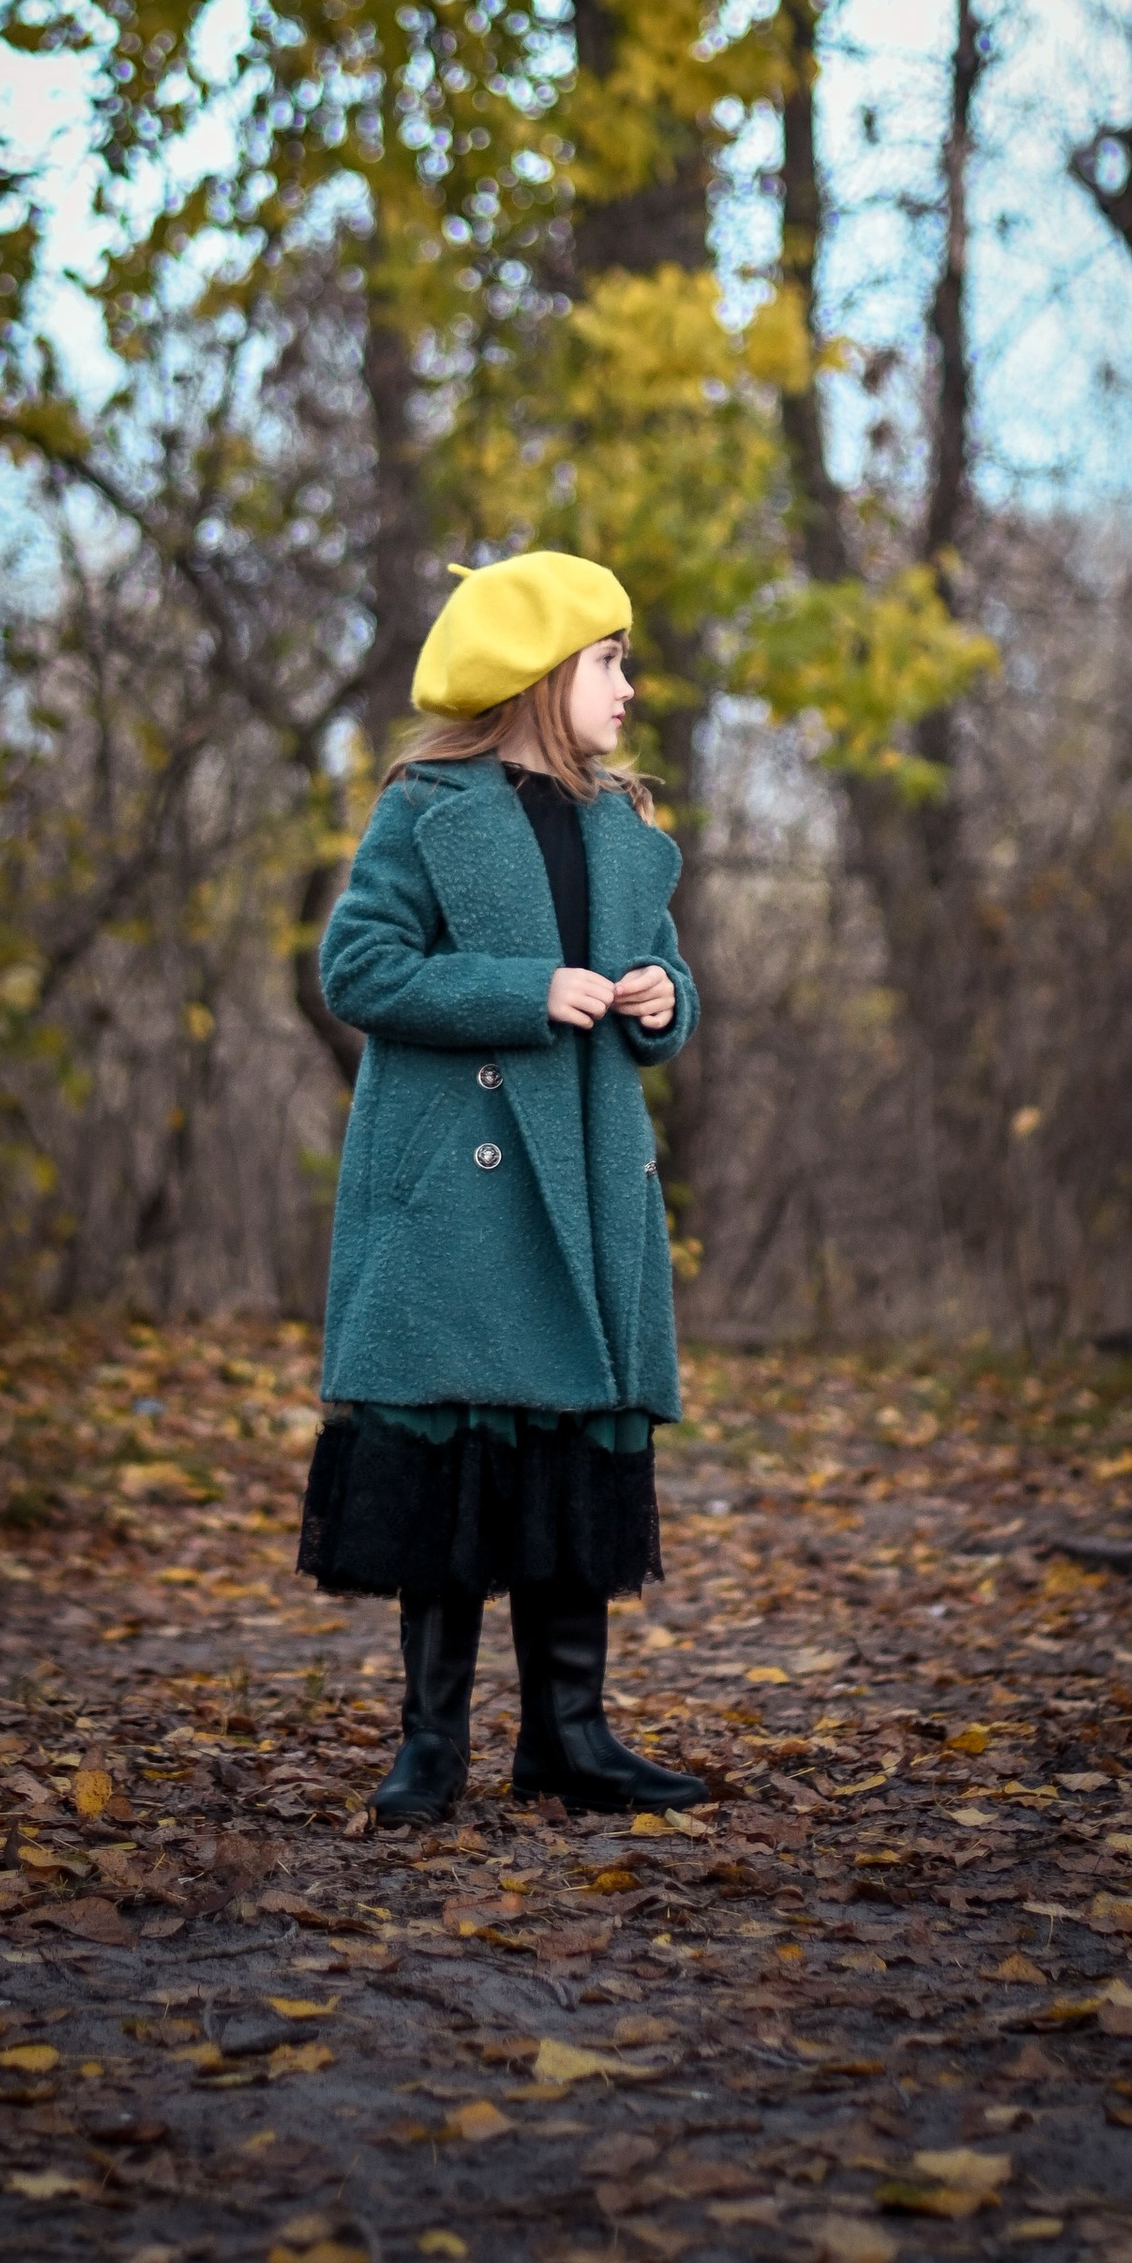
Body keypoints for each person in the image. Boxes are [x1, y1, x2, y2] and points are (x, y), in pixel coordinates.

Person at [299, 549, 706, 1825]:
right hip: (462, 1194)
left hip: (585, 1178)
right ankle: (433, 1745)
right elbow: (356, 970)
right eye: (608, 661)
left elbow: (672, 997)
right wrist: (519, 992)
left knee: (573, 1451)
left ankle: (569, 1734)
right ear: (541, 675)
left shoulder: (626, 832)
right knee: (456, 1454)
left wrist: (658, 1001)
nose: (629, 687)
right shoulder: (427, 807)